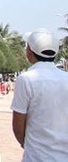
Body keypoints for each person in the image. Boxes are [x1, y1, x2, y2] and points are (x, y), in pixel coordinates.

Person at [10, 29, 68, 161]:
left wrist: (29, 145)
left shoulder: (26, 79)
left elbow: (18, 126)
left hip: (36, 157)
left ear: (29, 51)